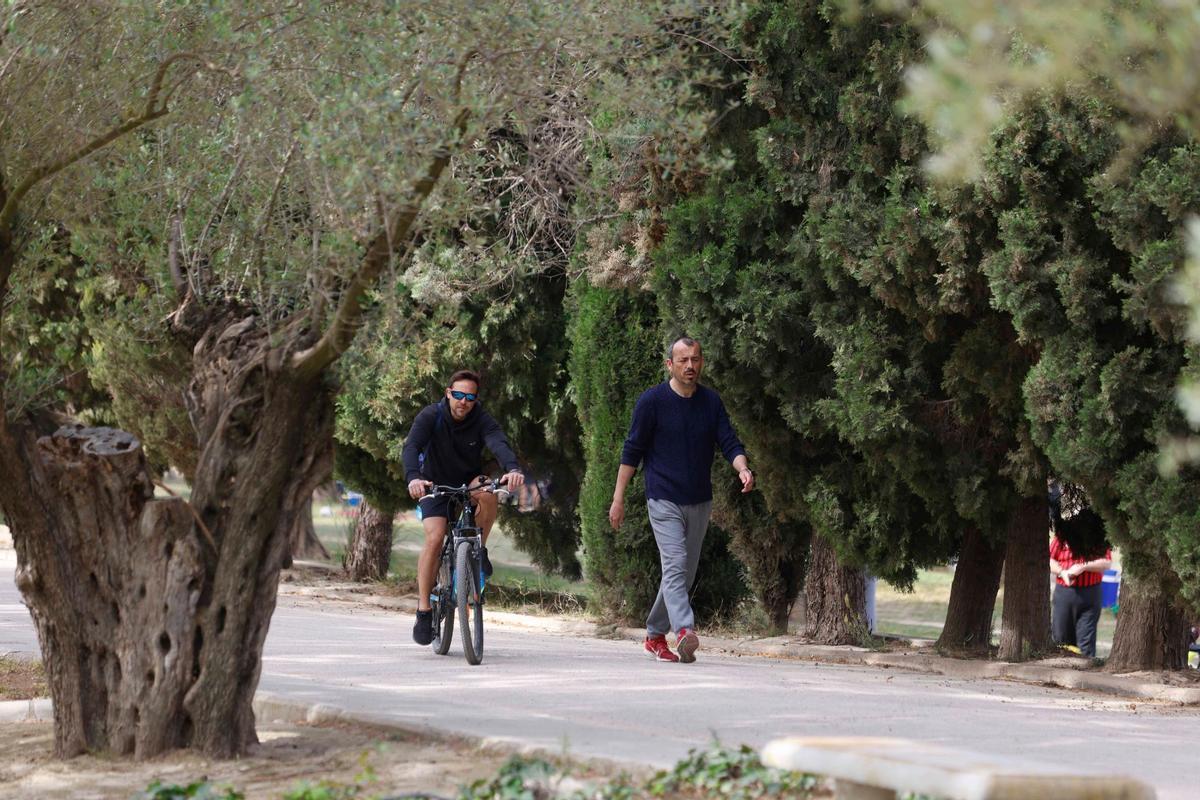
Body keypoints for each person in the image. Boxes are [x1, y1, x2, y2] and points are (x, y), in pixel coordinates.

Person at [609, 336, 753, 664]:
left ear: (702, 363)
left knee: (682, 574)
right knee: (675, 565)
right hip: (663, 497)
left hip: (699, 499)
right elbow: (632, 452)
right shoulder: (652, 402)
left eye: (696, 359)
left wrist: (742, 467)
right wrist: (618, 498)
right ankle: (684, 631)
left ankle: (654, 634)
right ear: (669, 365)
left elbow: (728, 441)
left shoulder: (711, 402)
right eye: (683, 360)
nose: (690, 366)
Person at [402, 369, 525, 646]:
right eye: (458, 395)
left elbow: (498, 442)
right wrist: (414, 478)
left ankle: (477, 551)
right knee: (434, 538)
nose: (464, 402)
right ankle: (424, 610)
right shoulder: (430, 416)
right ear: (448, 393)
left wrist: (513, 468)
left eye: (470, 397)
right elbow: (411, 447)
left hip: (467, 484)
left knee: (488, 491)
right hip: (434, 485)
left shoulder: (481, 418)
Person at [1048, 507, 1112, 658]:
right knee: (1061, 639)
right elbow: (1049, 558)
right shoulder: (1063, 536)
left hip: (1090, 593)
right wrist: (1062, 572)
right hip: (1065, 593)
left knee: (1086, 643)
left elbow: (1107, 562)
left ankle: (1085, 674)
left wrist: (1083, 567)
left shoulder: (1098, 537)